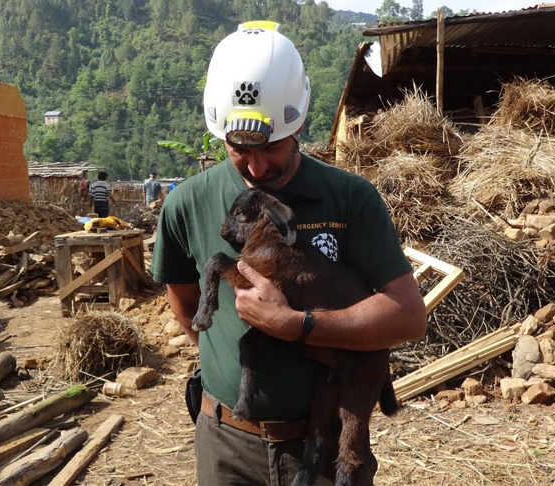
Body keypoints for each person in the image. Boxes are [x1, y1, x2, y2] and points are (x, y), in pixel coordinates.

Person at [152, 21, 427, 486]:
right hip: (227, 448)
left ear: (298, 122)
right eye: (239, 148)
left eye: (272, 147)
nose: (257, 166)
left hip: (325, 444)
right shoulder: (187, 204)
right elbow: (185, 310)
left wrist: (298, 327)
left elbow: (407, 318)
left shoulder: (349, 198)